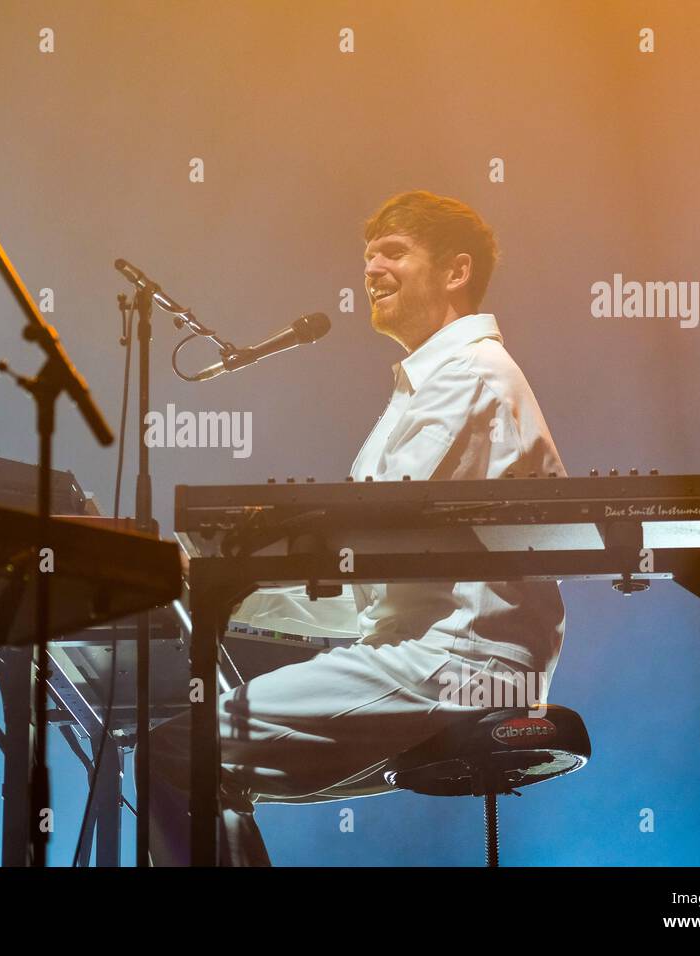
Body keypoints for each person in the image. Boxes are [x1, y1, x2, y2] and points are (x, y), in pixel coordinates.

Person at [147, 189, 568, 865]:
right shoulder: (432, 384)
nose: (369, 271)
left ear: (455, 272)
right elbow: (363, 582)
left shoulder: (472, 374)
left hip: (460, 664)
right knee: (201, 759)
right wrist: (213, 580)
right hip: (436, 657)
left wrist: (244, 556)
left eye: (392, 254)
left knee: (175, 750)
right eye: (366, 258)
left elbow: (377, 524)